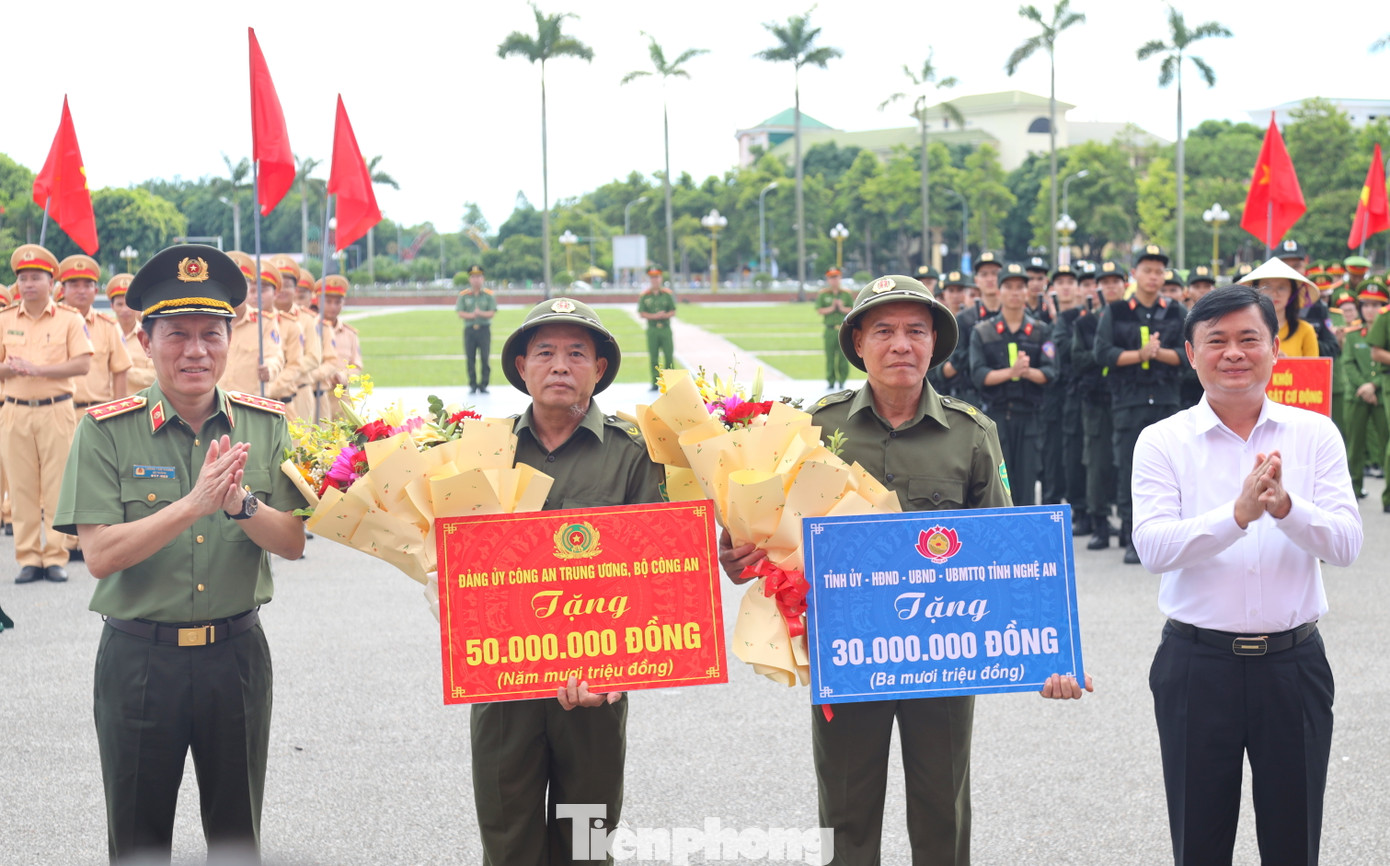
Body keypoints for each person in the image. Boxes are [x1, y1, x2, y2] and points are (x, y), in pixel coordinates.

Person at [722, 274, 1090, 866]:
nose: (901, 345)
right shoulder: (814, 428)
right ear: (858, 342)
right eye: (884, 331)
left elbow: (1010, 557)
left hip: (944, 656)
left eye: (916, 331)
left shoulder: (972, 434)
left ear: (934, 343)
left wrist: (1051, 655)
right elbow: (769, 537)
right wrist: (740, 553)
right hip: (848, 652)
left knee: (942, 810)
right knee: (846, 812)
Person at [53, 244, 308, 864]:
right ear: (146, 340)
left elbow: (292, 542)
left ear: (229, 338)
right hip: (141, 661)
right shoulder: (106, 430)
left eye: (210, 334)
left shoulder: (266, 425)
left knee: (236, 838)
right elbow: (100, 555)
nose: (196, 351)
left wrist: (240, 504)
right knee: (138, 840)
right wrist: (192, 505)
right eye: (177, 335)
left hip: (235, 658)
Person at [1133, 284, 1362, 866]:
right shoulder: (1162, 441)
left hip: (1293, 666)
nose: (1233, 353)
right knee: (1199, 842)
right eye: (1217, 341)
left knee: (1293, 842)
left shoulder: (1315, 434)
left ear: (1275, 348)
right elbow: (1153, 547)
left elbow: (1346, 544)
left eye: (1248, 339)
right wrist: (1236, 516)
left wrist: (1287, 509)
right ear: (1191, 353)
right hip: (1196, 665)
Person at [470, 297, 664, 864]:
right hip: (504, 679)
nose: (560, 365)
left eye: (577, 353)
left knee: (587, 840)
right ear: (522, 366)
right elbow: (450, 558)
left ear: (599, 370)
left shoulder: (635, 454)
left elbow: (658, 572)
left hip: (595, 684)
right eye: (545, 353)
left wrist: (617, 668)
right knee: (508, 840)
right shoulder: (482, 450)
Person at [0, 244, 93, 584]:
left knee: (57, 486)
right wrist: (10, 369)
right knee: (21, 487)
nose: (28, 284)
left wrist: (38, 369)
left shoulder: (70, 319)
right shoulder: (5, 319)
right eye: (23, 278)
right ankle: (28, 558)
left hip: (56, 410)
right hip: (15, 411)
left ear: (52, 283)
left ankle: (55, 556)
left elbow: (82, 364)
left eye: (36, 278)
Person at [1094, 244, 1187, 564]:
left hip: (1166, 400)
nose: (1154, 277)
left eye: (1159, 271)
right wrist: (1139, 355)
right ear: (1134, 274)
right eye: (1147, 270)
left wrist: (1159, 354)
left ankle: (1171, 534)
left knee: (1172, 470)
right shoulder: (1116, 311)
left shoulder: (1176, 311)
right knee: (1129, 469)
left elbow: (1189, 354)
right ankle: (1131, 535)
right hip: (1128, 401)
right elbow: (1102, 353)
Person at [970, 262, 1055, 505]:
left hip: (1029, 417)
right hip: (996, 419)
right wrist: (1012, 372)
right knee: (998, 487)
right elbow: (979, 375)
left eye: (1020, 287)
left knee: (1027, 485)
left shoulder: (1041, 331)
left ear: (1027, 292)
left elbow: (1050, 372)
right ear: (999, 291)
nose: (1015, 292)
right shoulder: (983, 331)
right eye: (1009, 287)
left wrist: (1026, 372)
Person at [1072, 261, 1127, 549]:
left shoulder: (1130, 318)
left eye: (1115, 281)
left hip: (1126, 398)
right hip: (1096, 400)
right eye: (1105, 282)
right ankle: (1100, 523)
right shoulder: (1085, 323)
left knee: (1127, 463)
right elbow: (1077, 359)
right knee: (1097, 463)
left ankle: (1129, 523)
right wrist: (1106, 355)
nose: (1110, 287)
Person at [1342, 280, 1388, 499]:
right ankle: (1354, 490)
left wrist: (1374, 384)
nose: (1370, 310)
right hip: (1356, 395)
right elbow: (1348, 363)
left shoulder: (1386, 333)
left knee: (1386, 445)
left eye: (1376, 305)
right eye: (1366, 305)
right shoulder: (1353, 334)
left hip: (1382, 395)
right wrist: (1363, 385)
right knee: (1354, 447)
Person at [221, 254, 285, 398]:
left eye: (242, 286)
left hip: (250, 403)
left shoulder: (265, 322)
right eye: (230, 286)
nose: (235, 293)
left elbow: (275, 355)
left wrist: (269, 369)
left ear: (249, 289)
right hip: (217, 403)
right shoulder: (210, 321)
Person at [1240, 257, 1319, 358]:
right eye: (1267, 287)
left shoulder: (1305, 330)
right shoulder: (1243, 329)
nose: (1274, 293)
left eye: (1282, 288)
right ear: (1256, 290)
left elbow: (1314, 367)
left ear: (1292, 292)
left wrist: (1287, 363)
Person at [316, 275, 360, 420]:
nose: (333, 307)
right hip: (316, 400)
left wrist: (344, 376)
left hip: (341, 403)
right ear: (318, 301)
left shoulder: (350, 334)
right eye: (328, 302)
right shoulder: (309, 330)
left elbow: (357, 366)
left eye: (337, 302)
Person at [107, 274, 155, 395]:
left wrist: (122, 371)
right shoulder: (105, 335)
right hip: (108, 404)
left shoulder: (148, 336)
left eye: (128, 305)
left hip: (140, 403)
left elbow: (155, 375)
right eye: (119, 304)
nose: (125, 309)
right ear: (112, 306)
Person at [456, 264, 496, 393]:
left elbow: (492, 312)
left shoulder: (488, 295)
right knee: (470, 358)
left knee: (485, 357)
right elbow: (460, 313)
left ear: (483, 278)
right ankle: (472, 384)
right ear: (469, 279)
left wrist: (480, 313)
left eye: (478, 277)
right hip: (470, 330)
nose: (476, 280)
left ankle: (484, 384)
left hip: (484, 330)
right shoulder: (464, 295)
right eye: (473, 277)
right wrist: (472, 315)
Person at [637, 267, 676, 390]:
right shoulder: (645, 296)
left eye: (657, 277)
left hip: (665, 329)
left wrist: (664, 315)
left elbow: (673, 311)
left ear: (661, 278)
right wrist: (655, 316)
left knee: (669, 356)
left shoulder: (667, 294)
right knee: (654, 357)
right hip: (652, 330)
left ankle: (670, 382)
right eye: (653, 277)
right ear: (650, 279)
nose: (655, 280)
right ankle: (655, 382)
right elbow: (642, 313)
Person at [816, 267, 855, 388]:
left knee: (844, 357)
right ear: (828, 279)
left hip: (843, 329)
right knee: (830, 357)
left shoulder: (846, 294)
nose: (834, 280)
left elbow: (852, 309)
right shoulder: (823, 294)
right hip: (830, 329)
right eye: (831, 277)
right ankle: (831, 381)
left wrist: (842, 308)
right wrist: (832, 307)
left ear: (840, 278)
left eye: (836, 277)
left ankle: (842, 380)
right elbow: (819, 310)